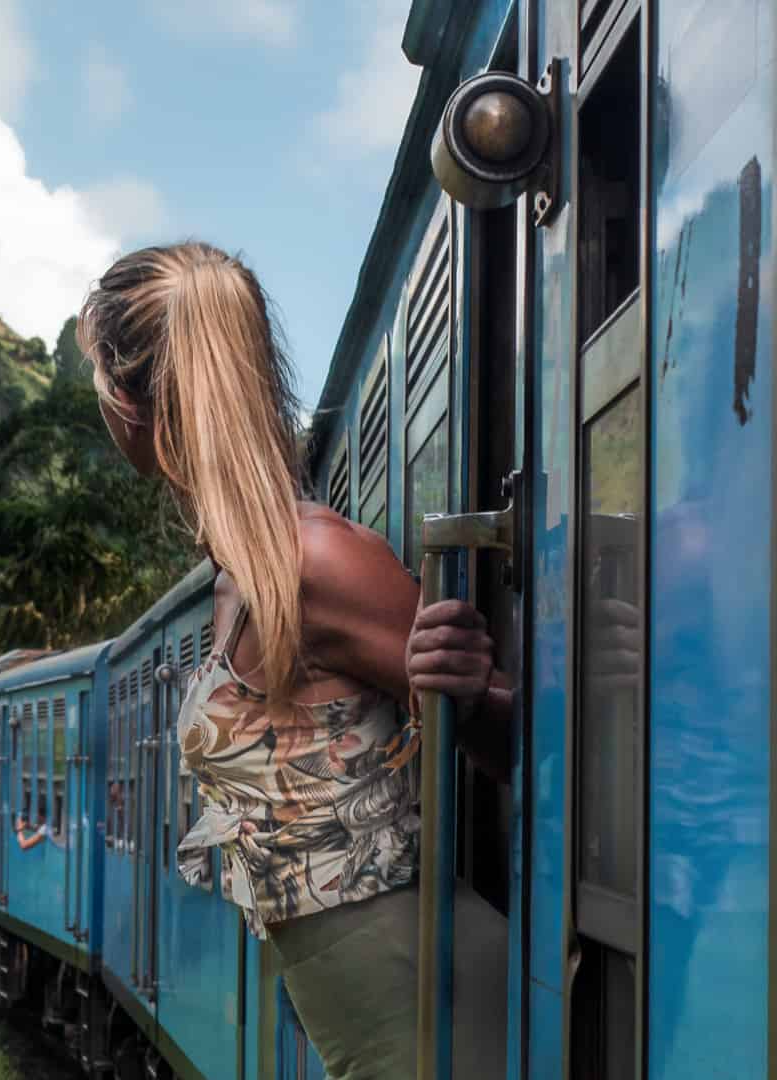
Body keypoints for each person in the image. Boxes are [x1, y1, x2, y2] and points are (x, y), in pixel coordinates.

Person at [76, 241, 510, 1079]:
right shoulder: (253, 571)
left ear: (130, 403)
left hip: (424, 1007)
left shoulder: (312, 564)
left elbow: (520, 737)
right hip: (379, 1013)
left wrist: (465, 690)